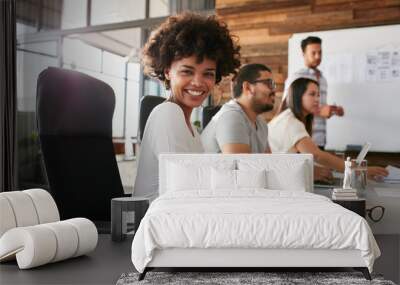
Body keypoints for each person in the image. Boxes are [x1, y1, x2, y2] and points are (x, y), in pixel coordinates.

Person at [133, 13, 241, 200]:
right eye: (187, 71)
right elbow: (185, 189)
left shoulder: (193, 130)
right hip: (159, 221)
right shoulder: (168, 113)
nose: (198, 82)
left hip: (182, 216)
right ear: (168, 72)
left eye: (208, 74)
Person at [268, 77, 388, 181]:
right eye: (312, 94)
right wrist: (359, 169)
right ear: (298, 96)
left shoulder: (288, 117)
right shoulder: (291, 122)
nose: (317, 99)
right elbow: (316, 155)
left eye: (318, 95)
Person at [283, 36, 344, 150]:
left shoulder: (323, 79)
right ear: (303, 54)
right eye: (313, 53)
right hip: (302, 138)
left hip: (320, 139)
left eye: (320, 52)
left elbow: (316, 106)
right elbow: (288, 105)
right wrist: (320, 111)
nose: (318, 56)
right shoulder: (297, 77)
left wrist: (332, 110)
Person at [201, 63, 275, 153]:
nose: (274, 90)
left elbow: (269, 163)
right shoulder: (231, 117)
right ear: (247, 87)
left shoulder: (260, 123)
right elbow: (240, 166)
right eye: (269, 83)